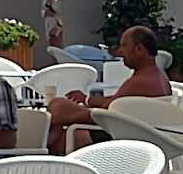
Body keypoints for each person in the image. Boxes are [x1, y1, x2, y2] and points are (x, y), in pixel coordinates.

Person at [47, 26, 175, 152]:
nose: (120, 51)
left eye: (124, 45)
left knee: (58, 109)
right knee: (58, 120)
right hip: (136, 135)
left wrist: (72, 109)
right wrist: (86, 100)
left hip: (120, 140)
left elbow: (107, 111)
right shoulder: (158, 76)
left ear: (139, 49)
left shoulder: (140, 81)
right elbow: (115, 102)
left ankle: (43, 150)